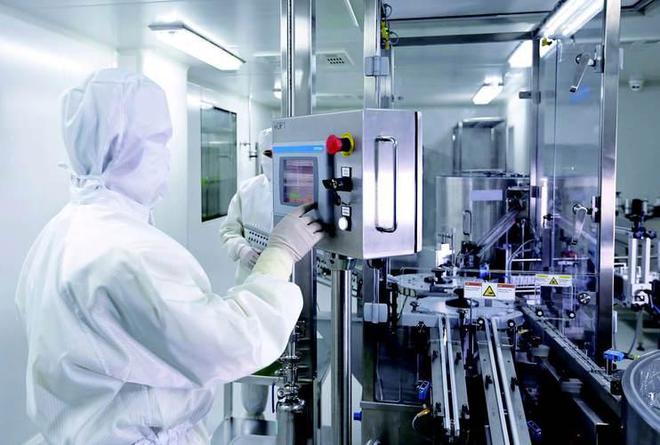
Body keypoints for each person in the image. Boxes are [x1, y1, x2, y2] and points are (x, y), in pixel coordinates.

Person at [15, 68, 324, 445]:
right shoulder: (129, 253)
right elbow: (232, 342)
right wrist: (281, 253)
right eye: (159, 141)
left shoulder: (60, 232)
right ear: (123, 148)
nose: (166, 156)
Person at [219, 128, 274, 285]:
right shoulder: (247, 189)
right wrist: (242, 250)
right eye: (268, 154)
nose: (273, 159)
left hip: (287, 282)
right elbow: (228, 231)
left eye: (279, 154)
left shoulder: (303, 192)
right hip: (248, 279)